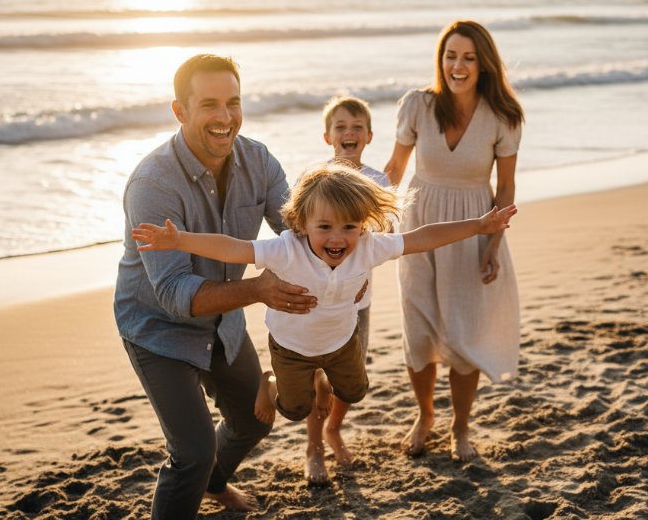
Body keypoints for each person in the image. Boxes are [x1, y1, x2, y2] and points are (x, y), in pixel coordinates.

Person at [132, 164, 518, 472]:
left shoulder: (368, 247)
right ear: (302, 224)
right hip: (291, 348)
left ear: (363, 225)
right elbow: (234, 249)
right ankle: (270, 381)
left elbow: (422, 238)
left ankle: (323, 380)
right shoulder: (285, 249)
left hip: (341, 342)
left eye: (349, 227)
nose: (338, 238)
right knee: (294, 410)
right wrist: (180, 240)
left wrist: (478, 226)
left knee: (355, 392)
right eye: (325, 227)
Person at [114, 53, 318, 520]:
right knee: (193, 452)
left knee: (252, 420)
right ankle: (200, 475)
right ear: (179, 111)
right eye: (209, 104)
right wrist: (260, 290)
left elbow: (298, 233)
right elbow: (174, 293)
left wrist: (345, 253)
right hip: (156, 329)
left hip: (224, 321)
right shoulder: (152, 184)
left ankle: (213, 484)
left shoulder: (259, 161)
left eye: (233, 102)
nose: (225, 117)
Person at [383, 20, 524, 462]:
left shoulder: (503, 116)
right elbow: (394, 170)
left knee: (463, 333)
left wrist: (493, 245)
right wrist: (372, 217)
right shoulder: (417, 105)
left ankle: (460, 427)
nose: (457, 66)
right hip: (418, 226)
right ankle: (425, 415)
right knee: (418, 331)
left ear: (484, 64)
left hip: (473, 228)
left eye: (467, 58)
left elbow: (506, 187)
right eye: (450, 56)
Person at [299, 95, 391, 483]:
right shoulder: (313, 179)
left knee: (349, 377)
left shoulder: (378, 182)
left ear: (369, 136)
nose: (348, 133)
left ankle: (334, 428)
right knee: (315, 375)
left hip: (357, 300)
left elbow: (386, 235)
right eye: (340, 127)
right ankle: (314, 447)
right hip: (316, 300)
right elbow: (297, 234)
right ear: (327, 136)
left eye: (356, 127)